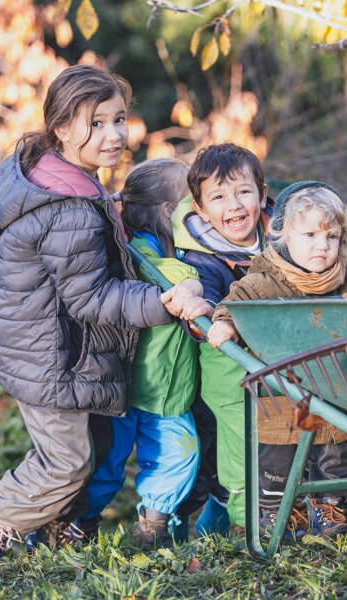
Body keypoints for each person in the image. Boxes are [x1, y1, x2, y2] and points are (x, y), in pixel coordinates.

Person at [0, 64, 206, 567]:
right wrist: (162, 304)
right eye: (95, 124)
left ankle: (53, 531)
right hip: (44, 352)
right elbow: (91, 298)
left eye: (119, 119)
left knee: (83, 449)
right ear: (62, 128)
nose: (114, 134)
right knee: (67, 462)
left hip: (19, 332)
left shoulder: (37, 169)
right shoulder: (69, 208)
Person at [46, 158, 213, 549]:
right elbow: (163, 276)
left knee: (180, 454)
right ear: (170, 212)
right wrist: (191, 282)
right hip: (124, 389)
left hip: (168, 395)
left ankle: (153, 525)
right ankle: (77, 525)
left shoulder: (188, 253)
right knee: (106, 465)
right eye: (194, 204)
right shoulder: (137, 253)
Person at [207, 181, 347, 538]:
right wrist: (226, 322)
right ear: (284, 236)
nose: (321, 245)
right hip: (279, 386)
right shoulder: (267, 279)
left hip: (334, 384)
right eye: (309, 234)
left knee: (336, 451)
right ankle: (277, 512)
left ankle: (332, 506)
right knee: (277, 457)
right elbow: (236, 300)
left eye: (331, 236)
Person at [171, 143, 273, 534]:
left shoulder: (283, 236)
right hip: (228, 359)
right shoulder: (202, 257)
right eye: (218, 196)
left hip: (279, 348)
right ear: (200, 210)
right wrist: (202, 304)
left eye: (243, 192)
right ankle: (247, 525)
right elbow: (203, 294)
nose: (233, 205)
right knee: (242, 441)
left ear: (262, 196)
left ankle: (228, 519)